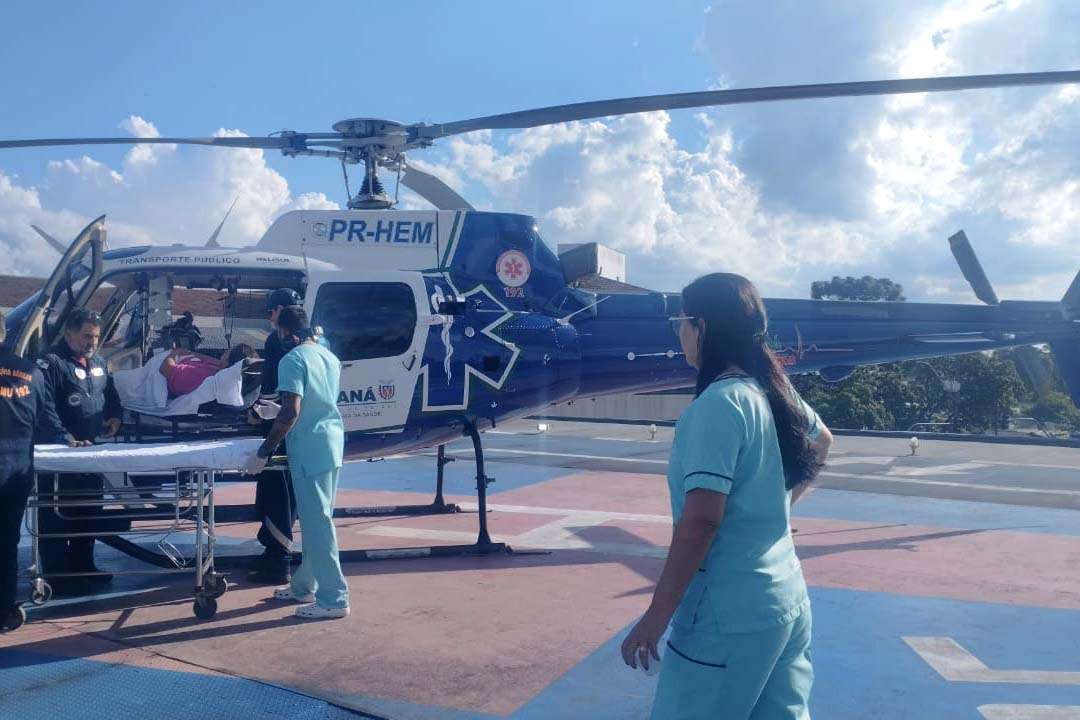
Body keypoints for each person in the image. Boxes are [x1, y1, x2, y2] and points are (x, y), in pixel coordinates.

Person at [621, 273, 832, 720]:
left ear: (702, 326)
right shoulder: (771, 388)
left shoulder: (718, 404)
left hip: (726, 617)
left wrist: (657, 616)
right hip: (785, 599)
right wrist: (775, 507)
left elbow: (701, 521)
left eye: (681, 322)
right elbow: (823, 440)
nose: (679, 333)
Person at [244, 306, 349, 620]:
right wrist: (276, 412)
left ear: (285, 331)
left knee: (318, 525)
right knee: (319, 519)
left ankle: (334, 598)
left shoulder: (292, 360)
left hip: (309, 449)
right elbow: (314, 401)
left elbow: (291, 412)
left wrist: (264, 451)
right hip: (331, 443)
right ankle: (304, 585)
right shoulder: (328, 357)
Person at [35, 309, 123, 595]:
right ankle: (57, 575)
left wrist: (115, 416)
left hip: (91, 453)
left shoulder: (99, 363)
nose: (92, 342)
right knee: (57, 515)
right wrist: (65, 438)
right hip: (61, 456)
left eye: (95, 337)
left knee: (89, 511)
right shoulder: (52, 364)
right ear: (68, 334)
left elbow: (110, 394)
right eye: (86, 336)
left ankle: (84, 565)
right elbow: (45, 406)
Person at [245, 288, 302, 584]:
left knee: (275, 491)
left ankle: (279, 560)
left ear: (280, 311)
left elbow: (274, 391)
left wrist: (256, 415)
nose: (269, 318)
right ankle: (277, 552)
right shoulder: (318, 346)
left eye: (271, 312)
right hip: (305, 434)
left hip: (279, 428)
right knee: (290, 493)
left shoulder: (278, 342)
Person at [0, 310, 46, 632]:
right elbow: (41, 418)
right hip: (18, 468)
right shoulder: (31, 372)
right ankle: (4, 609)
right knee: (6, 542)